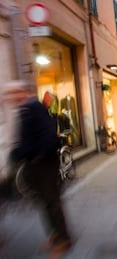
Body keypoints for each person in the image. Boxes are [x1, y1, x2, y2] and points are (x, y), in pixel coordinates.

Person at [3, 80, 72, 258]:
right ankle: (55, 235)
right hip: (36, 164)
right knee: (45, 202)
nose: (9, 98)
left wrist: (37, 156)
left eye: (11, 94)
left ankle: (64, 239)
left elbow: (49, 136)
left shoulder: (33, 107)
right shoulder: (26, 109)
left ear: (21, 92)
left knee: (52, 201)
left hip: (44, 164)